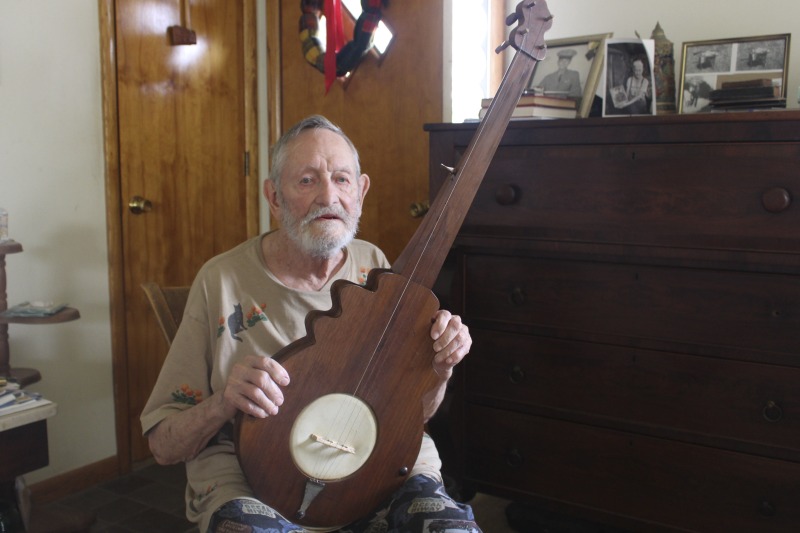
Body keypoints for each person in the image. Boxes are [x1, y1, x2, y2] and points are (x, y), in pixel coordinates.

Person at [140, 115, 480, 533]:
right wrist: (226, 401)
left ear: (361, 191)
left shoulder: (374, 265)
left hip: (378, 467)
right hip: (252, 482)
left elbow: (413, 415)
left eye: (341, 179)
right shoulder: (221, 280)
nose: (328, 197)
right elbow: (164, 446)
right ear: (274, 196)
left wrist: (441, 365)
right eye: (306, 181)